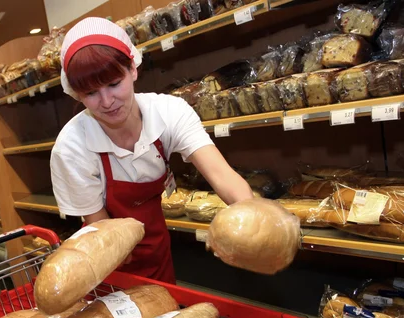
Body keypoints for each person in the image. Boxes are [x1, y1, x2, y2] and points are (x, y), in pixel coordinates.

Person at [50, 17, 253, 284]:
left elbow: (222, 176)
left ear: (132, 69)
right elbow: (102, 228)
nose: (107, 102)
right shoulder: (72, 147)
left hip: (158, 253)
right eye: (91, 93)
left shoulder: (169, 113)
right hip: (106, 265)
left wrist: (254, 219)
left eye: (114, 83)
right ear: (77, 94)